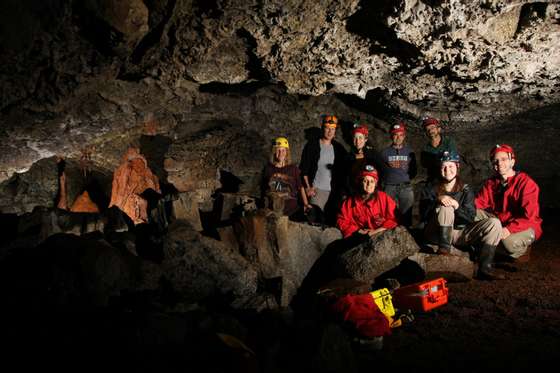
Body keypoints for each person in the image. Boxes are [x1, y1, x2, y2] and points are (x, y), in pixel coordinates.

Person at [419, 151, 504, 280]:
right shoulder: (431, 188)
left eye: (451, 166)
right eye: (444, 167)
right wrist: (437, 200)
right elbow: (423, 215)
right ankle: (444, 251)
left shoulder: (466, 189)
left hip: (458, 232)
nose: (448, 170)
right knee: (445, 207)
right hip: (436, 232)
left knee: (494, 223)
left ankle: (484, 267)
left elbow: (470, 217)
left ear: (457, 167)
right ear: (439, 169)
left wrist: (457, 206)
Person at [474, 144, 542, 263]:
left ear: (512, 161)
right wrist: (458, 205)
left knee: (509, 243)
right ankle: (490, 247)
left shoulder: (526, 184)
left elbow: (529, 216)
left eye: (504, 159)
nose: (499, 163)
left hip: (525, 224)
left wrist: (508, 230)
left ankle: (522, 252)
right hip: (501, 222)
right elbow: (478, 203)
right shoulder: (491, 183)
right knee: (471, 213)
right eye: (496, 161)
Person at [300, 115, 347, 225]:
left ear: (335, 131)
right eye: (327, 128)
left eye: (333, 129)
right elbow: (304, 169)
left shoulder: (338, 148)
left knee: (330, 223)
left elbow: (345, 169)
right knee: (314, 221)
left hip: (333, 193)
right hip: (317, 191)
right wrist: (308, 187)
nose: (330, 132)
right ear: (322, 128)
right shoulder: (312, 145)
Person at [337, 165, 399, 239]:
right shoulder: (350, 202)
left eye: (372, 181)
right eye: (365, 181)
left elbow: (395, 219)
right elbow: (341, 221)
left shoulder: (383, 198)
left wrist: (375, 232)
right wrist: (358, 231)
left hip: (382, 235)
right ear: (360, 182)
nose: (369, 184)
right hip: (361, 237)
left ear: (376, 184)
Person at [262, 137, 310, 218]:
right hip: (274, 210)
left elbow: (300, 187)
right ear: (274, 152)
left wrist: (306, 204)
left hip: (292, 210)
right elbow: (264, 189)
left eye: (283, 150)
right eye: (278, 150)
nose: (281, 153)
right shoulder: (268, 169)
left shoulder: (293, 169)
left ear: (287, 152)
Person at [380, 122, 417, 227]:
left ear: (404, 136)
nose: (398, 137)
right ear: (391, 136)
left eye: (401, 135)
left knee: (407, 214)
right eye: (395, 134)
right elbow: (380, 170)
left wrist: (406, 176)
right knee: (388, 213)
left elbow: (414, 170)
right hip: (389, 187)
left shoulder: (410, 152)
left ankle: (407, 235)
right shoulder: (384, 153)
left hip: (406, 187)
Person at [344, 123, 386, 197]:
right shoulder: (350, 156)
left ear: (365, 139)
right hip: (354, 192)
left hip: (370, 192)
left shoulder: (373, 154)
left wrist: (377, 188)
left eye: (360, 138)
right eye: (355, 138)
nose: (357, 141)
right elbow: (346, 176)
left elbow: (384, 171)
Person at [420, 117, 457, 182]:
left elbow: (452, 159)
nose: (430, 131)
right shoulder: (425, 148)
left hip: (449, 177)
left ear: (438, 129)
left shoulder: (448, 142)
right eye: (427, 129)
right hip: (434, 180)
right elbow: (425, 165)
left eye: (432, 128)